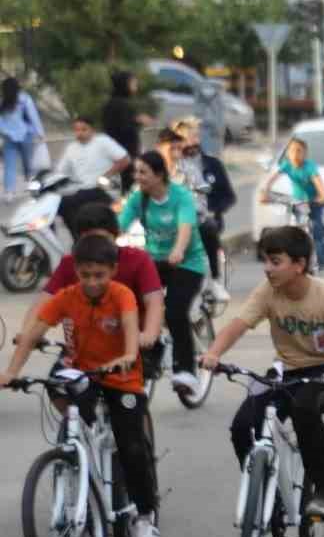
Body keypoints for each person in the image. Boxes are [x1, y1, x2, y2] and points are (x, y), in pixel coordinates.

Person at [202, 226, 324, 520]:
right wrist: (214, 353)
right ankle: (270, 496)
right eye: (265, 261)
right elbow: (238, 325)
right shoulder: (268, 291)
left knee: (304, 408)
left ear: (299, 265)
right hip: (286, 370)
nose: (268, 269)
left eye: (276, 262)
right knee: (242, 426)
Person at [0, 236, 159, 537]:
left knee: (132, 447)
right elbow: (33, 333)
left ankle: (144, 517)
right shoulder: (66, 297)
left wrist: (128, 355)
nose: (92, 282)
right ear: (76, 272)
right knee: (64, 402)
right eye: (85, 275)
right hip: (84, 374)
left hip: (121, 378)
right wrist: (11, 372)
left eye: (99, 275)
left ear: (113, 271)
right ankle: (79, 465)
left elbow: (130, 333)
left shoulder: (122, 295)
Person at [18, 203, 164, 357]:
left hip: (131, 347)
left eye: (103, 239)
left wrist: (149, 335)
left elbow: (154, 301)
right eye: (90, 240)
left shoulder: (138, 260)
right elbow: (44, 302)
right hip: (81, 349)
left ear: (117, 235)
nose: (97, 246)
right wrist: (26, 333)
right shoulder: (69, 264)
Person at [118, 151, 208, 393]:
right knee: (133, 305)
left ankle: (186, 370)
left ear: (159, 175)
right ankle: (150, 349)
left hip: (187, 263)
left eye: (143, 172)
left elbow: (185, 227)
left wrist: (178, 250)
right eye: (136, 172)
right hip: (153, 262)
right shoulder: (140, 198)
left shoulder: (180, 196)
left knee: (175, 310)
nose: (138, 177)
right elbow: (120, 223)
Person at [171, 119, 237, 304]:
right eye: (185, 138)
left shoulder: (212, 165)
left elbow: (227, 195)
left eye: (195, 137)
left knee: (208, 228)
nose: (191, 142)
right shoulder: (172, 165)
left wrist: (213, 210)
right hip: (175, 219)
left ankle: (215, 281)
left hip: (204, 217)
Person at [259, 136, 324, 273]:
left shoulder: (310, 167)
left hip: (313, 202)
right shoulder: (287, 165)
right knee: (291, 232)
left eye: (299, 151)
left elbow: (318, 183)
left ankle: (322, 264)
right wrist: (265, 193)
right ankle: (292, 261)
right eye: (292, 151)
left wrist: (323, 196)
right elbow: (271, 179)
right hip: (296, 202)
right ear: (287, 153)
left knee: (316, 232)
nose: (295, 154)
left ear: (305, 153)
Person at [55, 115, 130, 229]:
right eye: (77, 130)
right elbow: (60, 171)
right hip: (83, 190)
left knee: (68, 202)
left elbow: (125, 160)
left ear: (92, 130)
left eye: (84, 129)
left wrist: (105, 177)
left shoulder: (103, 141)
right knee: (56, 204)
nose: (80, 133)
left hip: (103, 190)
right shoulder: (71, 148)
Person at [102, 70, 146, 193]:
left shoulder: (110, 103)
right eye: (133, 83)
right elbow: (126, 130)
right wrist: (137, 122)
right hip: (125, 155)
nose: (135, 86)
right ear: (124, 85)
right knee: (129, 189)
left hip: (113, 153)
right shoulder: (123, 105)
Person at [0, 76, 46, 194]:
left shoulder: (2, 101)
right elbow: (33, 116)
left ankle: (9, 192)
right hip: (26, 135)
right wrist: (40, 133)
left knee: (10, 165)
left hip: (8, 138)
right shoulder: (24, 99)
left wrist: (5, 132)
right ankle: (32, 187)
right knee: (29, 164)